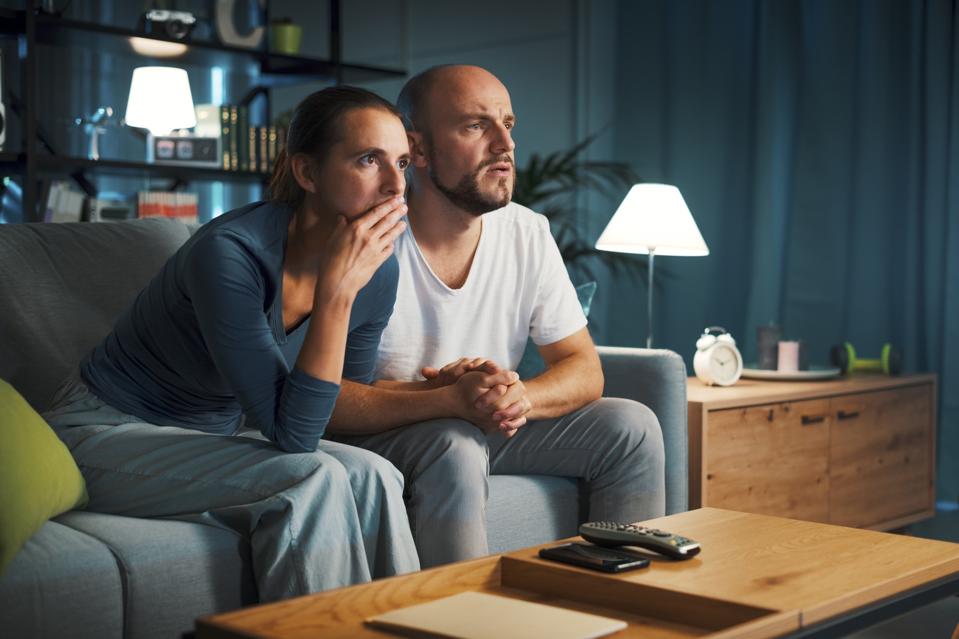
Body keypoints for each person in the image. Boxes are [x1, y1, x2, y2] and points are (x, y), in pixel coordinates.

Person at [41, 86, 421, 602]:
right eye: (368, 160)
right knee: (312, 477)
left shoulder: (380, 272)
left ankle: (403, 622)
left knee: (375, 473)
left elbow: (337, 402)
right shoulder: (229, 254)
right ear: (307, 173)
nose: (396, 185)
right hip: (103, 433)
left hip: (212, 439)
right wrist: (336, 294)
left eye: (402, 162)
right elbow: (295, 438)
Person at [325, 65, 666, 568]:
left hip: (485, 420)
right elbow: (322, 394)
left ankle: (625, 608)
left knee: (631, 426)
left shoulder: (527, 232)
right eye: (475, 126)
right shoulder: (365, 239)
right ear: (416, 149)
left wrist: (515, 397)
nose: (505, 144)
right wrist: (448, 400)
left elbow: (582, 366)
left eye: (508, 124)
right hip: (394, 430)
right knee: (455, 442)